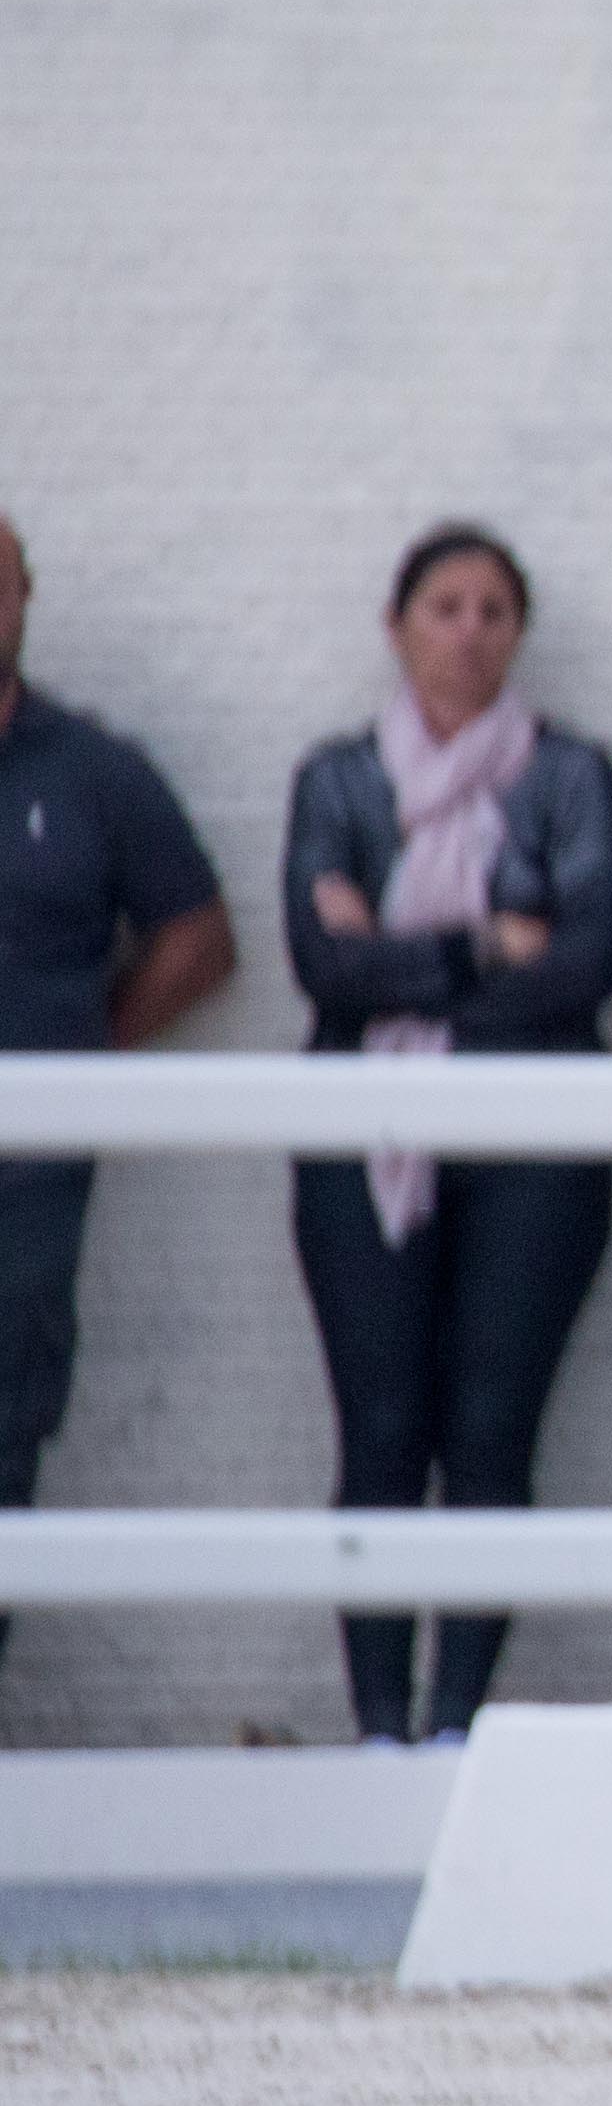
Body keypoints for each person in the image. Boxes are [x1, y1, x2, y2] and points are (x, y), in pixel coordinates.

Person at [280, 523, 612, 1751]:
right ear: (397, 625)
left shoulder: (570, 777)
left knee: (488, 1429)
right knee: (379, 1427)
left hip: (536, 1141)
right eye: (444, 607)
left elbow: (584, 963)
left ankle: (458, 1730)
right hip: (362, 1135)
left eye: (491, 610)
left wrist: (397, 955)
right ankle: (377, 1727)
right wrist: (485, 941)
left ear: (518, 632)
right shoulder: (338, 779)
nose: (468, 632)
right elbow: (322, 967)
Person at [0, 506, 235, 1693]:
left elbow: (197, 934)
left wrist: (84, 1052)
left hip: (27, 1194)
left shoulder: (92, 772)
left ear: (23, 594)